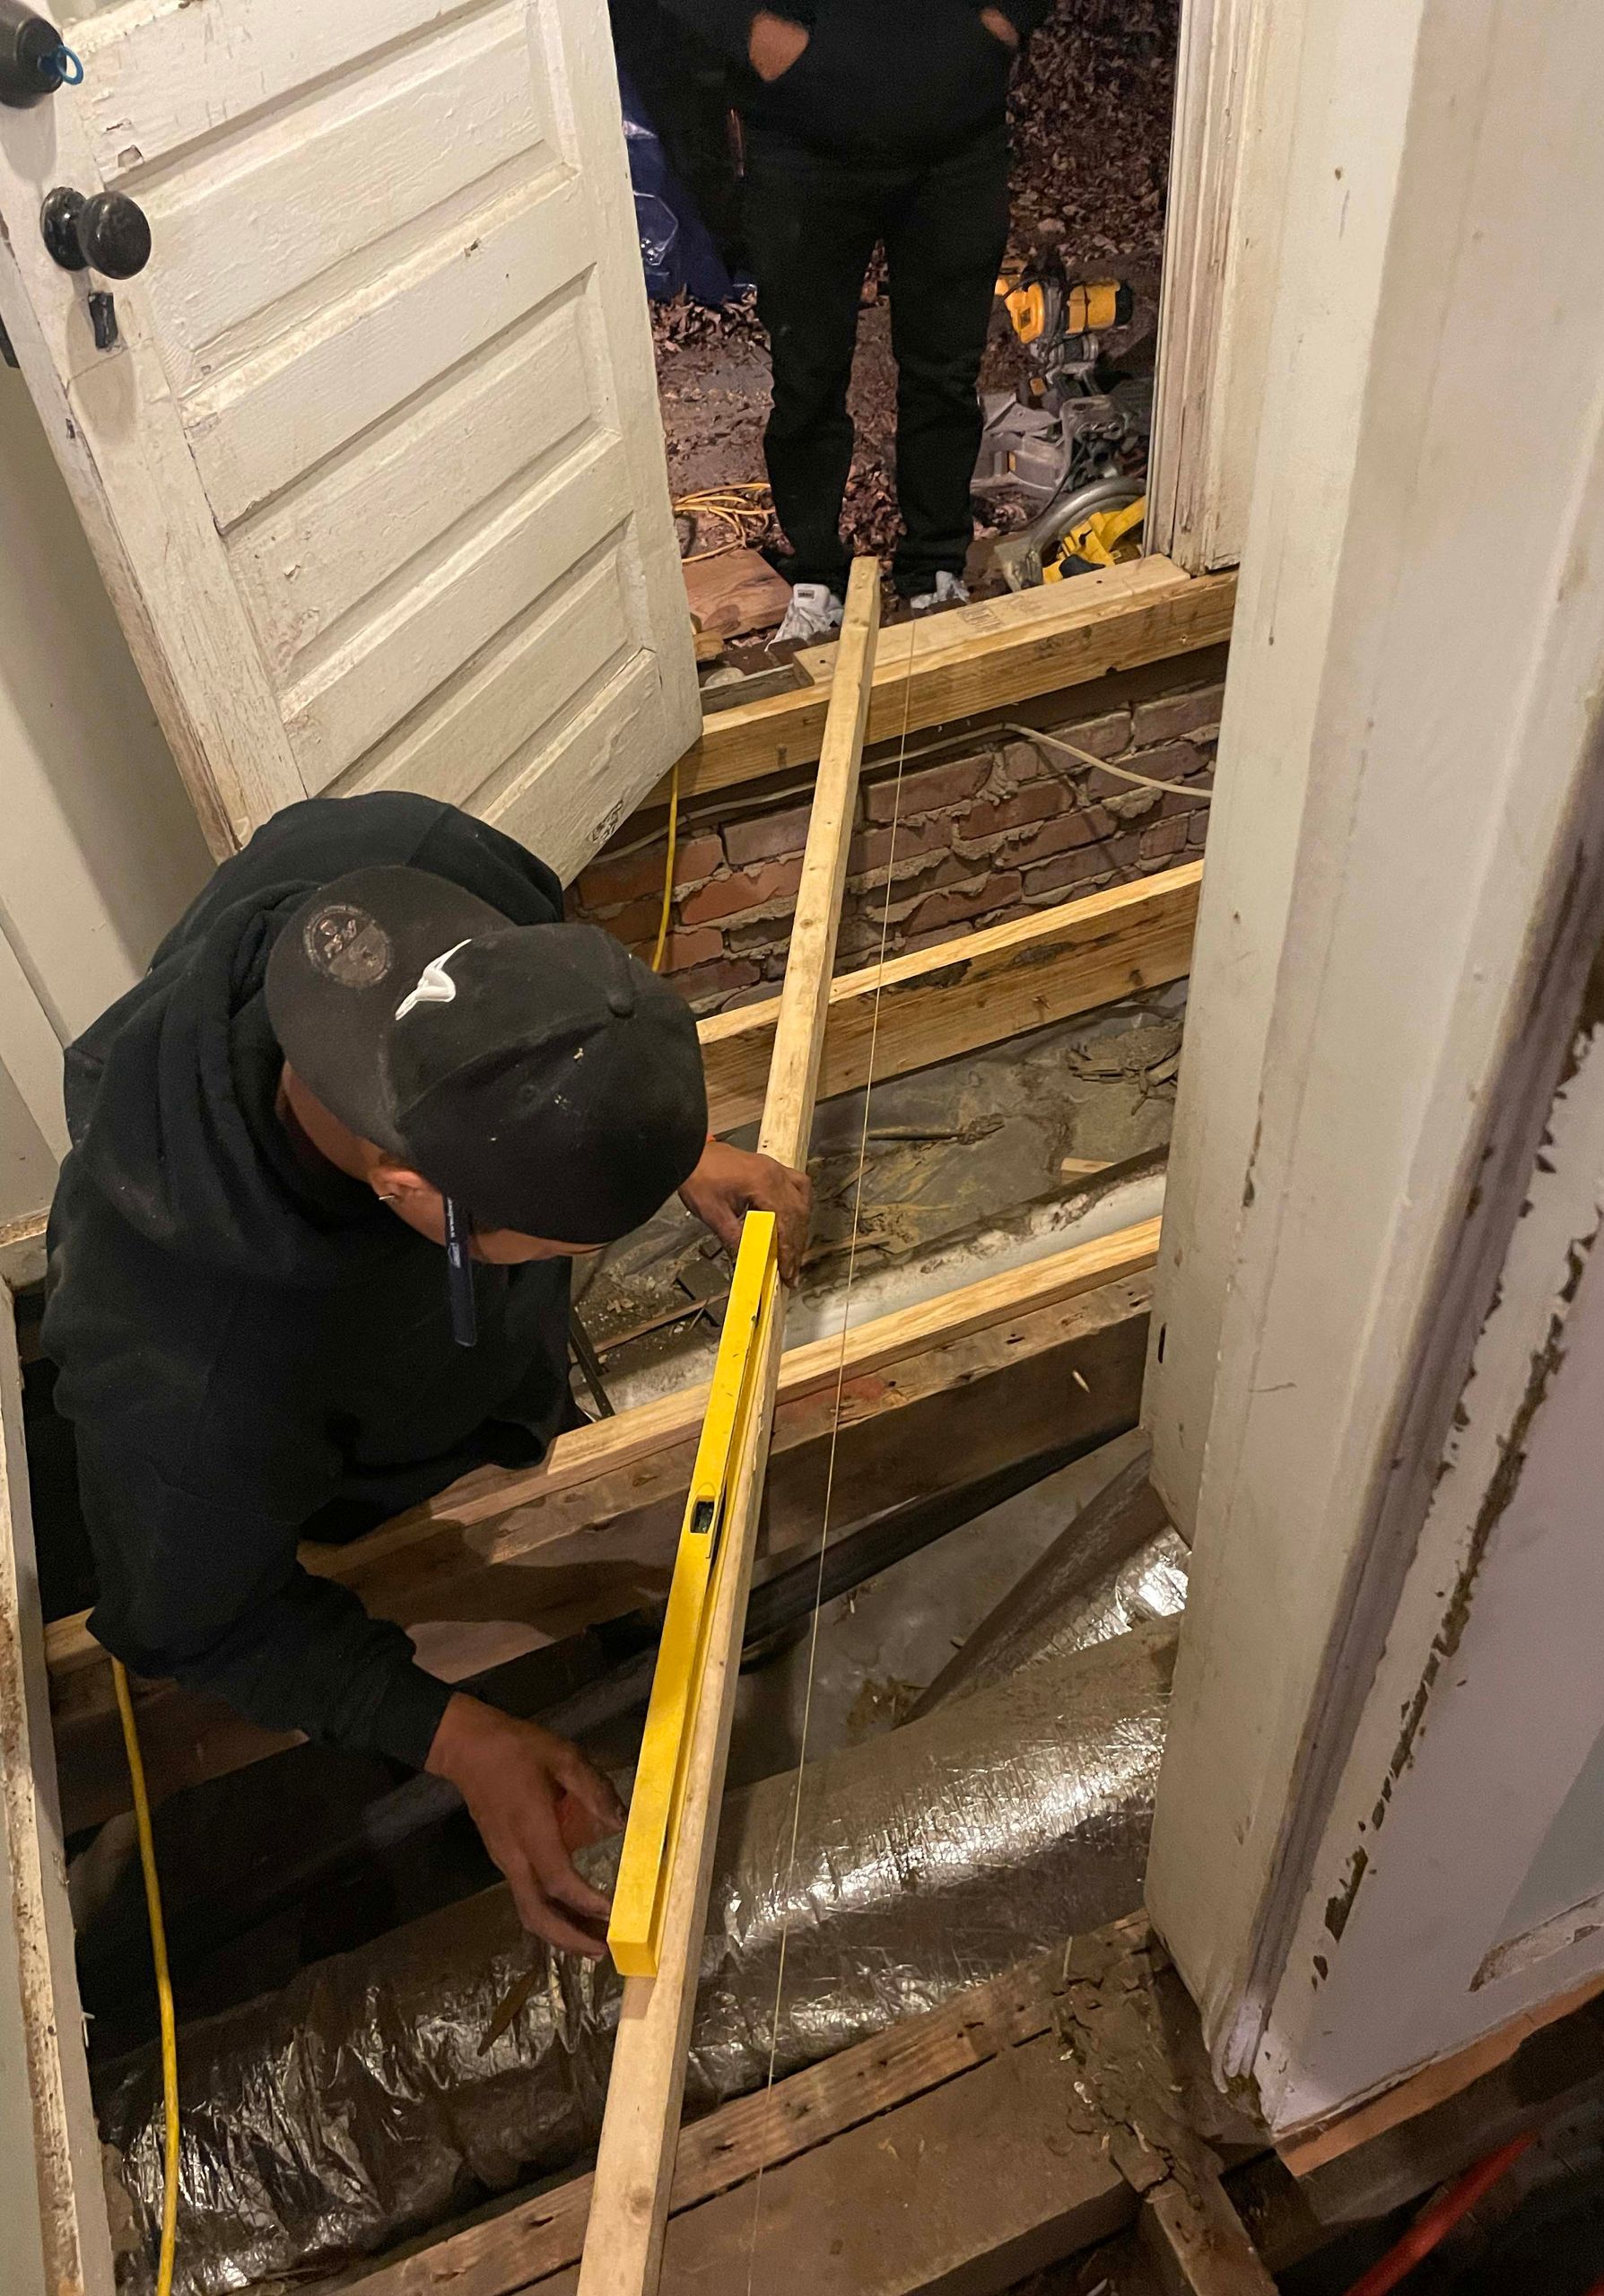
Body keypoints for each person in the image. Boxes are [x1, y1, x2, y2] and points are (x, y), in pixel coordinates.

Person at [42, 793, 810, 1957]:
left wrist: (654, 1138)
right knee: (275, 1559)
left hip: (428, 1333)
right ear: (415, 1193)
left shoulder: (419, 862)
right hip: (350, 1459)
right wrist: (456, 1736)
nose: (584, 1259)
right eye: (562, 1245)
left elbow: (537, 1036)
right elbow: (192, 1624)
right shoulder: (198, 1376)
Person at [664, 0, 1052, 641]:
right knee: (807, 379)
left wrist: (1004, 20)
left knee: (946, 373)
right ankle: (818, 577)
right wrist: (754, 33)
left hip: (957, 137)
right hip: (800, 143)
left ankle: (935, 570)